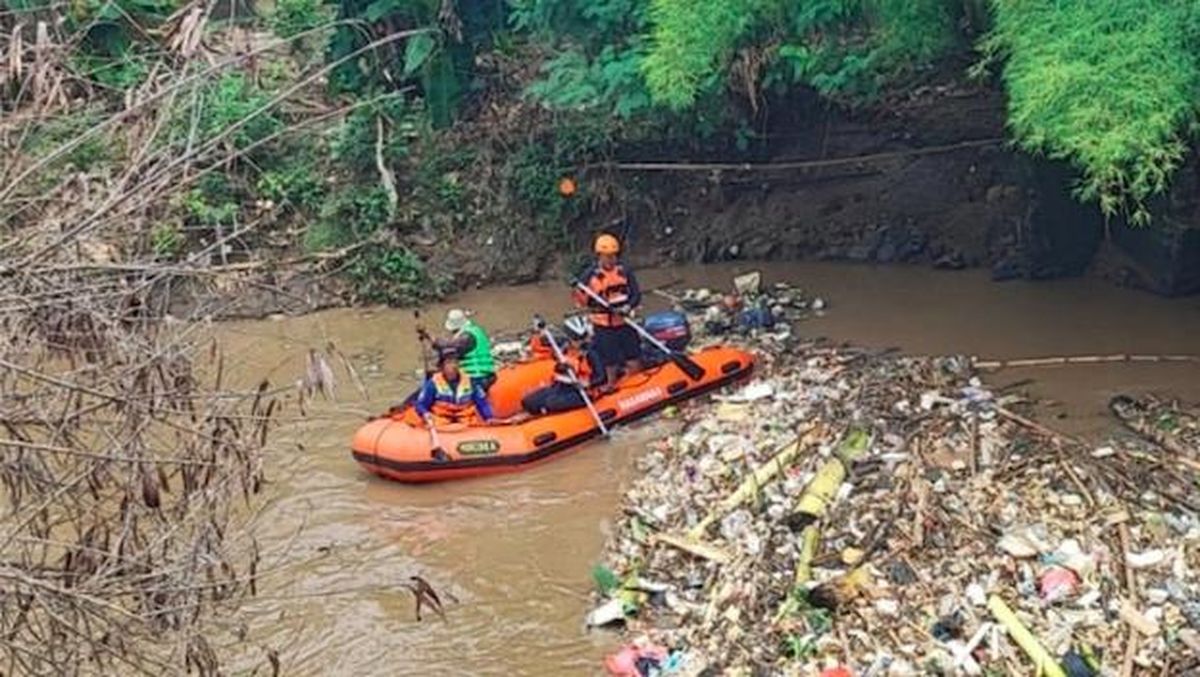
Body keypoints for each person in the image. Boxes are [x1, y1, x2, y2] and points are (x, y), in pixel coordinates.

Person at [572, 233, 642, 391]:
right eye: (607, 256)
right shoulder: (589, 276)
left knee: (633, 352)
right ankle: (611, 384)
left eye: (613, 256)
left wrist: (628, 307)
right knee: (609, 357)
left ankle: (637, 381)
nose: (611, 260)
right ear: (599, 256)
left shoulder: (624, 272)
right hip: (603, 323)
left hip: (624, 320)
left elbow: (636, 294)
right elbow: (581, 300)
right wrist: (583, 297)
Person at [521, 316, 606, 415]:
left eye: (582, 338)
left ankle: (551, 413)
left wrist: (587, 384)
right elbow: (554, 363)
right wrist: (561, 367)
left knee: (552, 403)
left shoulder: (591, 354)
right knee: (528, 401)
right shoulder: (564, 350)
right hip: (561, 387)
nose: (580, 342)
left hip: (582, 391)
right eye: (576, 339)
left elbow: (602, 377)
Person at [415, 349, 494, 426]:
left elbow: (482, 403)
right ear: (442, 367)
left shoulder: (470, 381)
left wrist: (489, 417)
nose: (453, 366)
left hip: (466, 420)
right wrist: (425, 413)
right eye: (449, 363)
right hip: (441, 420)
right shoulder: (433, 383)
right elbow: (421, 404)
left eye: (455, 362)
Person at [437, 308, 496, 392]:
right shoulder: (476, 330)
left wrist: (431, 339)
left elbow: (450, 348)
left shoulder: (466, 337)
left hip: (477, 377)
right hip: (488, 374)